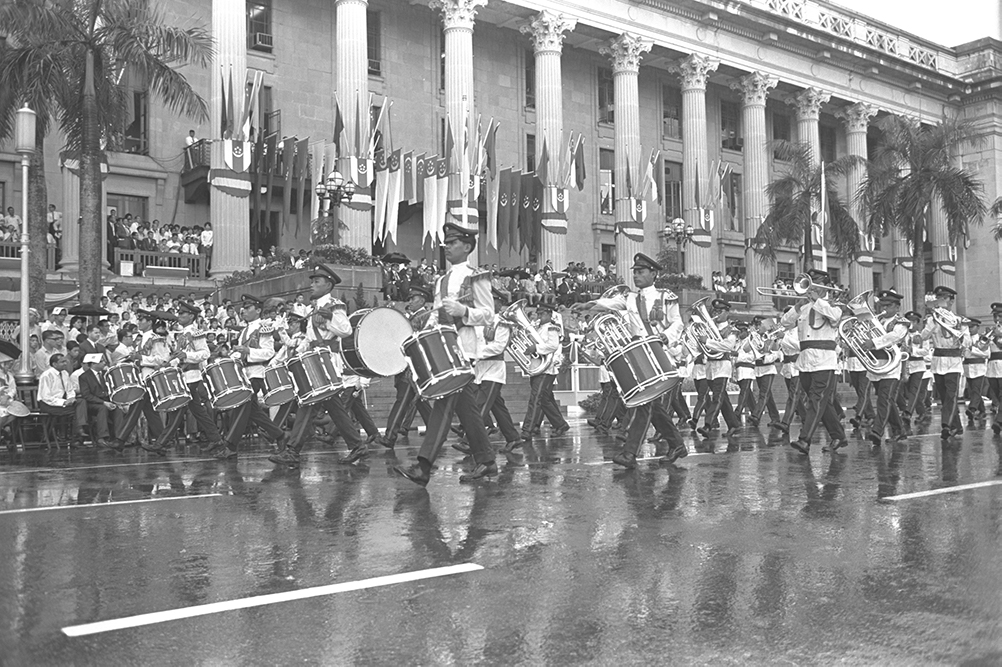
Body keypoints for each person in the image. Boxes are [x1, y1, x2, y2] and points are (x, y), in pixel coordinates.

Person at [393, 222, 498, 486]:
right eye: (447, 244)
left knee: (444, 403)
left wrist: (464, 312)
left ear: (467, 246)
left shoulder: (478, 276)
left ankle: (424, 465)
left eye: (453, 243)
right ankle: (486, 461)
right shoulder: (441, 280)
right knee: (466, 407)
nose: (448, 248)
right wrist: (423, 332)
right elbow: (438, 315)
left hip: (463, 348)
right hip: (444, 347)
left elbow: (489, 315)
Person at [578, 253, 686, 468]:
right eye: (635, 272)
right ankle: (676, 445)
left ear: (653, 274)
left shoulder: (666, 296)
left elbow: (678, 323)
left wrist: (665, 336)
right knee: (651, 404)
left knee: (645, 403)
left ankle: (630, 453)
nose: (636, 276)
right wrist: (588, 304)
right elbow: (610, 303)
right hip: (639, 355)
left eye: (641, 272)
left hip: (657, 352)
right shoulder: (630, 298)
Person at [269, 264, 365, 468]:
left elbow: (346, 330)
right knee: (331, 406)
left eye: (317, 282)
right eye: (312, 281)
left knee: (310, 402)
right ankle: (357, 445)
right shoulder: (314, 309)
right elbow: (311, 337)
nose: (312, 285)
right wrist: (297, 353)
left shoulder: (334, 305)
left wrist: (329, 318)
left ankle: (293, 451)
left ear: (328, 285)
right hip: (315, 359)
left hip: (327, 360)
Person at [778, 269, 847, 455]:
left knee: (816, 401)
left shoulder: (832, 305)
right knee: (820, 403)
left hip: (824, 361)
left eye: (814, 284)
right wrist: (798, 306)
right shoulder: (805, 307)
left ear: (823, 286)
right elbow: (785, 322)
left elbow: (836, 317)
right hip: (805, 360)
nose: (810, 288)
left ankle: (804, 439)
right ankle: (838, 436)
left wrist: (817, 300)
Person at [217, 296, 288, 459]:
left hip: (256, 373)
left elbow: (268, 352)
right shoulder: (244, 330)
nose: (244, 311)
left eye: (248, 308)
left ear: (258, 310)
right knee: (253, 412)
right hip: (244, 374)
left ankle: (231, 445)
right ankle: (279, 435)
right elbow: (241, 352)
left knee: (241, 407)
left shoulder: (265, 327)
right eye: (243, 308)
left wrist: (248, 352)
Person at [858, 290, 910, 446]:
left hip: (892, 366)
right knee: (887, 400)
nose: (884, 309)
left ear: (896, 307)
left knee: (884, 399)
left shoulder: (901, 322)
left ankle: (877, 431)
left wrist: (873, 343)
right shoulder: (877, 320)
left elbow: (895, 336)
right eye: (882, 305)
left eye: (888, 305)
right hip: (876, 365)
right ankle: (899, 430)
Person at [921, 285, 970, 440]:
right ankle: (957, 426)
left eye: (944, 298)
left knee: (951, 396)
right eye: (939, 298)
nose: (941, 301)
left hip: (954, 362)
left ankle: (946, 425)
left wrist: (961, 337)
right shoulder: (931, 319)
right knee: (944, 396)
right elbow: (923, 337)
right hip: (938, 361)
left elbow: (968, 341)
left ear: (951, 301)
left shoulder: (960, 320)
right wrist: (933, 322)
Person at [518, 302, 569, 442]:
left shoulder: (552, 328)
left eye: (542, 314)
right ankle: (560, 424)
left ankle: (527, 430)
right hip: (537, 367)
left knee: (536, 398)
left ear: (549, 314)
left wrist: (536, 348)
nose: (539, 316)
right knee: (545, 399)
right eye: (538, 314)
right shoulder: (537, 328)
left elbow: (552, 346)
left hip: (546, 369)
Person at [699, 299, 740, 438]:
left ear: (727, 312)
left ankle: (708, 425)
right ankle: (734, 425)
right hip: (711, 366)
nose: (716, 314)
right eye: (715, 311)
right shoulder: (709, 328)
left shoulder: (732, 330)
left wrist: (708, 341)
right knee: (723, 399)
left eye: (720, 311)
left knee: (717, 397)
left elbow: (728, 346)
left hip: (723, 366)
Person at [37, 353, 88, 446]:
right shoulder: (46, 375)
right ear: (54, 364)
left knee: (81, 402)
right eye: (62, 362)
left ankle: (79, 432)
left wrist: (71, 398)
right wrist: (64, 402)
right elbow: (46, 397)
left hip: (62, 402)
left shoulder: (65, 373)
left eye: (65, 361)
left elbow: (70, 389)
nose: (65, 363)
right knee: (76, 411)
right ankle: (77, 436)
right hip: (48, 404)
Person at [77, 353, 119, 449]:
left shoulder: (106, 374)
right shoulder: (84, 377)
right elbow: (86, 395)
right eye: (100, 361)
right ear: (93, 364)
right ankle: (102, 437)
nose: (104, 363)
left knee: (118, 409)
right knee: (102, 408)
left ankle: (118, 436)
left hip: (107, 400)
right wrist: (103, 402)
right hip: (93, 403)